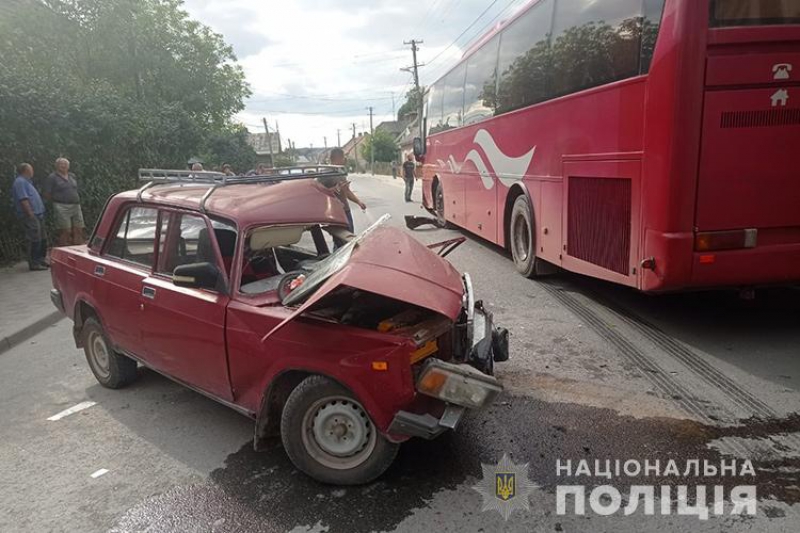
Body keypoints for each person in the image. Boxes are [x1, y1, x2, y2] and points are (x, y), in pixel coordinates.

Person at [11, 163, 49, 271]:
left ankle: (41, 259)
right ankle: (34, 263)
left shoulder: (28, 182)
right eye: (31, 169)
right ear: (25, 171)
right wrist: (30, 214)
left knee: (42, 238)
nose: (33, 171)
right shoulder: (20, 182)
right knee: (34, 239)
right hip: (31, 215)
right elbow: (23, 199)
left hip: (38, 214)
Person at [43, 158, 84, 246]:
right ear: (56, 166)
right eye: (61, 164)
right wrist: (57, 201)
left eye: (65, 164)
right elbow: (47, 193)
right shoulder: (52, 177)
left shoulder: (72, 176)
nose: (64, 166)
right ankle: (64, 251)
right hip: (61, 206)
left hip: (76, 205)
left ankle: (78, 250)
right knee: (66, 231)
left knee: (79, 229)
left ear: (68, 166)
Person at [328, 147, 366, 233]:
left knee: (348, 236)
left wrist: (359, 202)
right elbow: (319, 192)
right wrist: (335, 189)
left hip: (345, 210)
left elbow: (347, 191)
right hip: (334, 212)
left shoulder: (340, 172)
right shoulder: (325, 174)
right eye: (343, 157)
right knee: (340, 239)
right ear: (338, 158)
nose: (345, 159)